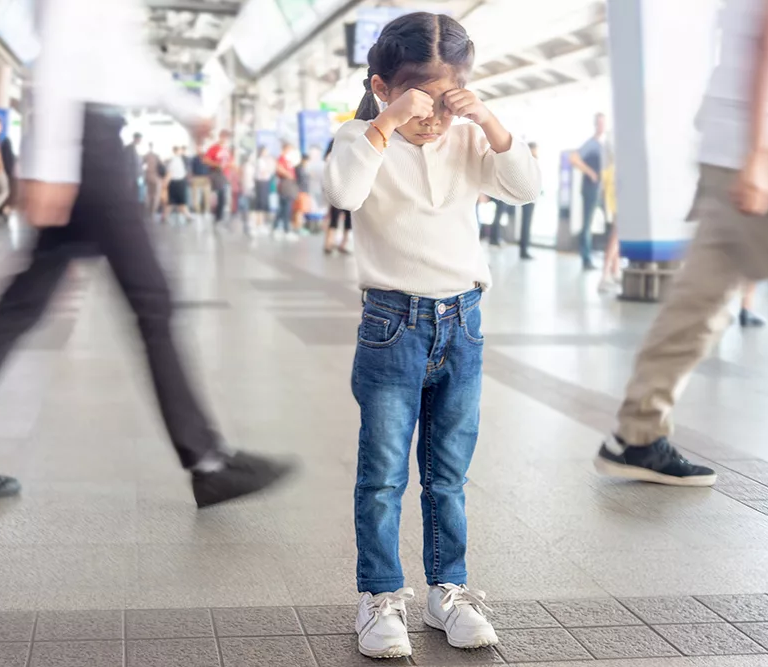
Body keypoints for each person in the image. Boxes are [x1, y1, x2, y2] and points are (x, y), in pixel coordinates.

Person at [0, 0, 293, 508]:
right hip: (89, 146)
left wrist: (187, 110)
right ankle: (207, 460)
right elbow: (63, 53)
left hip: (93, 140)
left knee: (25, 302)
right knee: (151, 300)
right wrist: (53, 164)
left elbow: (119, 54)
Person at [323, 12, 540, 659]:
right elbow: (343, 190)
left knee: (447, 474)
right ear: (382, 85)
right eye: (422, 100)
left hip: (463, 322)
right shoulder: (360, 137)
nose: (435, 117)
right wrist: (387, 123)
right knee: (384, 473)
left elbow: (525, 187)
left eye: (448, 100)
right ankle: (381, 595)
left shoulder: (469, 141)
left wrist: (489, 122)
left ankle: (450, 589)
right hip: (392, 324)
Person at [595, 0, 768, 486]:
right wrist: (760, 154)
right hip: (761, 152)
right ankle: (637, 432)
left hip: (726, 152)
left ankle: (637, 434)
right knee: (698, 307)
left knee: (698, 307)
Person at [569, 113, 609, 270]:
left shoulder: (604, 144)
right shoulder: (591, 144)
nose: (601, 126)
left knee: (610, 225)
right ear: (595, 125)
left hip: (604, 191)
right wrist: (590, 172)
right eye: (599, 123)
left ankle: (607, 260)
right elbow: (573, 158)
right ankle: (586, 258)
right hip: (591, 189)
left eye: (603, 123)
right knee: (587, 224)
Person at [598, 160, 620, 290]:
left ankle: (615, 271)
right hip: (620, 205)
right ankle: (605, 274)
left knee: (617, 239)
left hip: (616, 205)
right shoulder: (615, 167)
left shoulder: (612, 166)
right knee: (615, 238)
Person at [203, 130, 231, 223]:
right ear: (220, 136)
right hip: (216, 173)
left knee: (223, 196)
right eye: (224, 136)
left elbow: (229, 162)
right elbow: (205, 160)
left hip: (225, 174)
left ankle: (219, 215)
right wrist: (216, 164)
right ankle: (218, 216)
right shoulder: (214, 148)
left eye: (227, 137)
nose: (225, 139)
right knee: (221, 194)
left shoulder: (227, 149)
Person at [518, 142, 539, 260]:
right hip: (528, 199)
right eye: (535, 150)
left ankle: (525, 248)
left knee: (527, 224)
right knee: (526, 224)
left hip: (531, 198)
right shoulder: (528, 163)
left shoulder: (532, 163)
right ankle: (523, 249)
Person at [273, 143, 297, 238]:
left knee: (284, 207)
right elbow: (278, 168)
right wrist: (288, 174)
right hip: (285, 184)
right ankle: (285, 229)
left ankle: (276, 227)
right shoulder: (281, 158)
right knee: (285, 207)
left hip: (289, 184)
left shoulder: (288, 160)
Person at [164, 145, 189, 224]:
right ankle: (164, 216)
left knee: (176, 201)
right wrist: (165, 184)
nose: (181, 151)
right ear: (176, 151)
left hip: (178, 182)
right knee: (177, 201)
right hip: (177, 182)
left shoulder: (178, 159)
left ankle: (187, 216)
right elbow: (170, 173)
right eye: (179, 150)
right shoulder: (175, 160)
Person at [253, 145, 275, 234]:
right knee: (261, 203)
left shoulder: (266, 161)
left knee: (264, 203)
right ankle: (259, 224)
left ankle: (262, 223)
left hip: (265, 182)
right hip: (261, 182)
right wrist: (269, 168)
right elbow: (263, 171)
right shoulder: (260, 161)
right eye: (265, 151)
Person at [143, 142, 163, 219]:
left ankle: (147, 210)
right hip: (156, 177)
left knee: (148, 194)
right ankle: (153, 211)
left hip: (148, 176)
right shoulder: (157, 156)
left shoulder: (146, 156)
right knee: (156, 195)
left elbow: (141, 164)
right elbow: (161, 165)